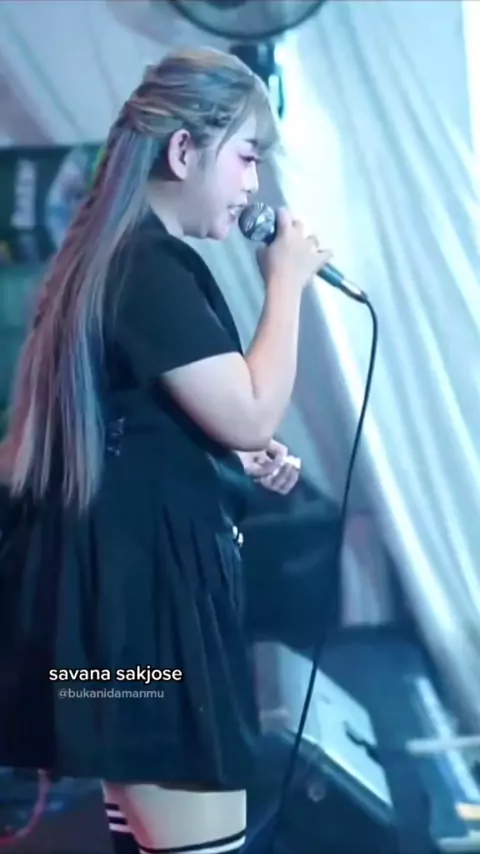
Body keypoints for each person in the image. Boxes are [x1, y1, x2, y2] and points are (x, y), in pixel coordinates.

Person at [0, 48, 332, 854]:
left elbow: (137, 436)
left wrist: (225, 463)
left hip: (121, 624)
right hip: (148, 628)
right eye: (247, 157)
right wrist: (286, 281)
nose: (255, 185)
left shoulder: (113, 258)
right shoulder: (147, 266)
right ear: (184, 151)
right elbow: (251, 411)